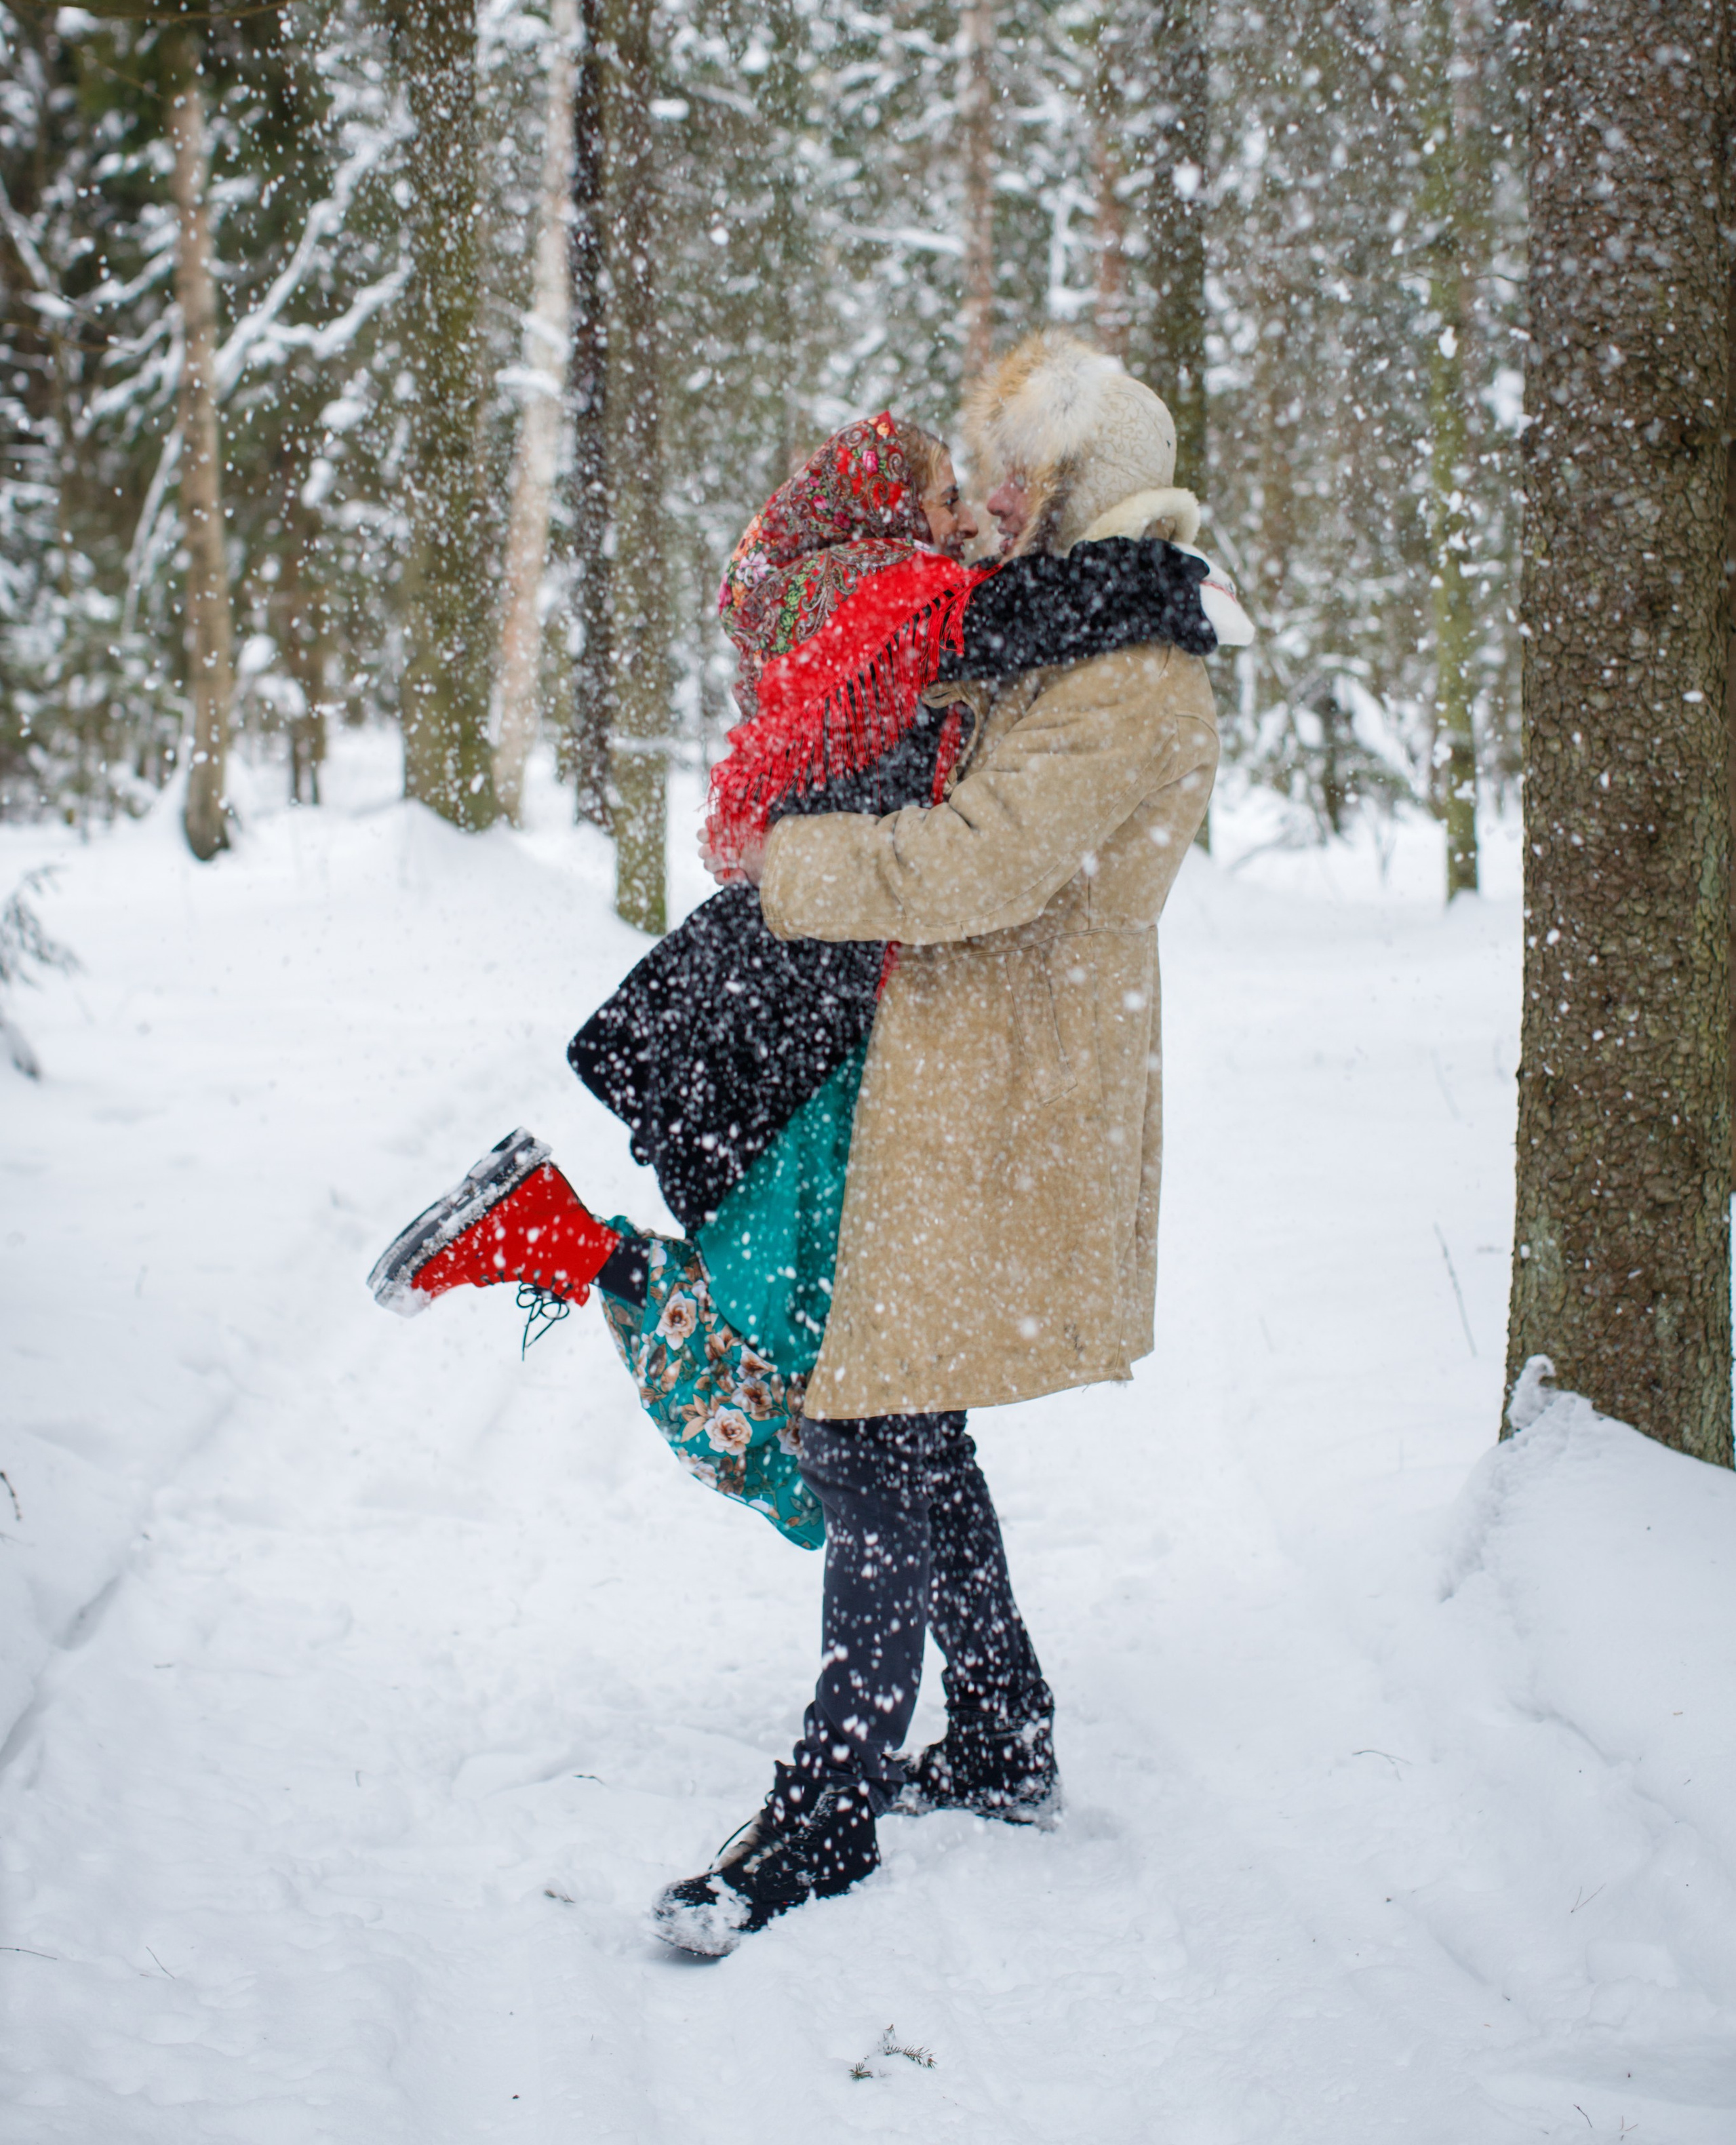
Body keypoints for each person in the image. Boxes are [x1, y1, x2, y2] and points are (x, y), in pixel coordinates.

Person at [366, 404, 1244, 1562]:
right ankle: (558, 1237)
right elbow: (1028, 613)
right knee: (810, 1380)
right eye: (944, 499)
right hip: (803, 986)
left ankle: (558, 1236)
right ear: (877, 516)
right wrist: (1170, 587)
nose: (971, 521)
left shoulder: (842, 589)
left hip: (802, 978)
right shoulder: (883, 593)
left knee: (842, 1386)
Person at [650, 332, 1222, 1956]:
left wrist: (789, 865)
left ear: (1083, 482)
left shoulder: (1133, 675)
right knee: (898, 1415)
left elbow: (980, 863)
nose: (996, 505)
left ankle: (828, 1812)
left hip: (1002, 1090)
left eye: (1021, 478)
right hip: (947, 1075)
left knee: (868, 1423)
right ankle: (1001, 1733)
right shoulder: (1082, 637)